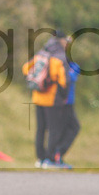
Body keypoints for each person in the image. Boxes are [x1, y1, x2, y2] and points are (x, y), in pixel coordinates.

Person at [23, 30, 69, 169]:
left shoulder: (42, 53)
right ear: (62, 40)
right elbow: (63, 81)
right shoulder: (60, 56)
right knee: (54, 129)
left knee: (41, 129)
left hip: (38, 97)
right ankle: (50, 159)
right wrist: (63, 95)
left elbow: (25, 69)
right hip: (52, 98)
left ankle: (40, 159)